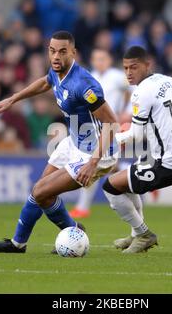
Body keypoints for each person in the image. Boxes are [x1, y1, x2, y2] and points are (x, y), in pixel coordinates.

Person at [0, 31, 118, 253]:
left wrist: (93, 162)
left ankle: (22, 243)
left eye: (62, 52)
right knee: (42, 194)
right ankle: (68, 230)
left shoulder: (85, 85)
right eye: (52, 51)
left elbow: (111, 123)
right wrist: (13, 98)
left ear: (73, 53)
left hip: (97, 152)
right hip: (74, 142)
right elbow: (45, 82)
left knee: (40, 191)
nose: (56, 56)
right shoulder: (57, 71)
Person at [103, 46, 172, 253]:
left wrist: (108, 140)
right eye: (125, 68)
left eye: (134, 67)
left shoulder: (141, 92)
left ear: (147, 65)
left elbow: (136, 136)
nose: (129, 73)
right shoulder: (166, 81)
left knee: (111, 187)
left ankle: (143, 234)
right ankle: (135, 235)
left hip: (168, 163)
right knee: (126, 183)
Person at [70, 48, 131, 219]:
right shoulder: (90, 76)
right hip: (94, 125)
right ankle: (142, 173)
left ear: (109, 60)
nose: (99, 62)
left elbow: (133, 92)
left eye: (103, 58)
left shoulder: (117, 76)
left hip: (110, 124)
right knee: (109, 165)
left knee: (93, 162)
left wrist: (126, 112)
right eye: (96, 59)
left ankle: (82, 207)